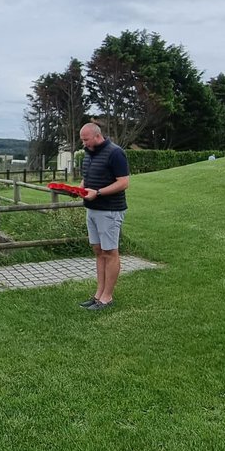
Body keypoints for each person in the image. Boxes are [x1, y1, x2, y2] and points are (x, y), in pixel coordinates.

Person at [78, 122, 129, 310]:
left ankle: (107, 297)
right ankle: (98, 294)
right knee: (98, 251)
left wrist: (98, 193)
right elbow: (87, 177)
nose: (83, 143)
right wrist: (80, 188)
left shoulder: (116, 153)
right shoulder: (88, 153)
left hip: (109, 210)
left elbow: (123, 182)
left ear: (97, 136)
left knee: (110, 252)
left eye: (86, 139)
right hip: (92, 209)